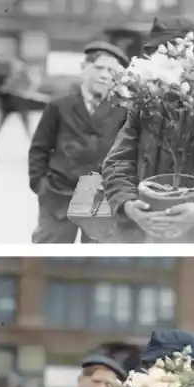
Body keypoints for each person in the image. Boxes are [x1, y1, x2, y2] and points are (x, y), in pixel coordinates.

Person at [102, 16, 194, 243]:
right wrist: (130, 205)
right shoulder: (144, 105)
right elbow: (118, 162)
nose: (167, 66)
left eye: (175, 57)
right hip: (146, 225)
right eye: (160, 57)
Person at [28, 41, 129, 243]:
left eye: (112, 71)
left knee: (97, 254)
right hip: (59, 193)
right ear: (84, 67)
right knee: (49, 250)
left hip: (100, 196)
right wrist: (40, 184)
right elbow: (39, 148)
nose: (105, 75)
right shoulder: (60, 105)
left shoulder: (122, 110)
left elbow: (127, 153)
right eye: (99, 67)